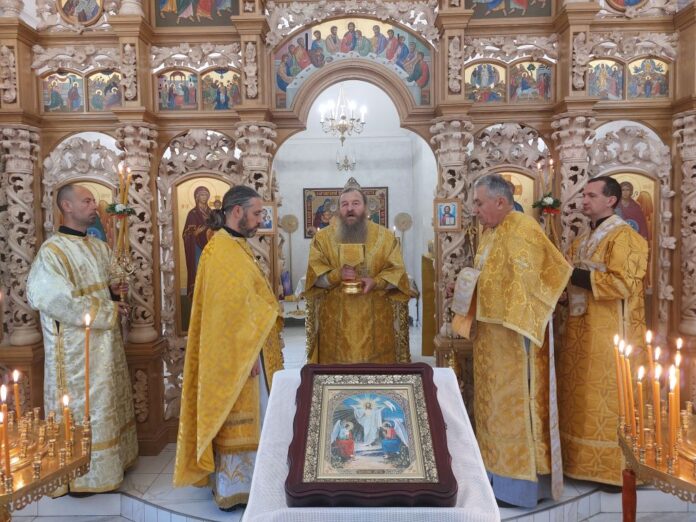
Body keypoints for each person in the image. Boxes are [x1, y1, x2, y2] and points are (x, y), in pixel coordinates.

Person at [451, 174, 571, 507]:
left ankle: (518, 486)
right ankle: (493, 476)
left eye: (479, 203)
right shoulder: (492, 232)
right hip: (493, 341)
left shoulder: (522, 229)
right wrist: (466, 289)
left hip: (516, 342)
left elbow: (530, 283)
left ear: (500, 202)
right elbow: (488, 278)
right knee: (493, 410)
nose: (475, 210)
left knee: (513, 410)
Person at [173, 185, 283, 510]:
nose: (260, 220)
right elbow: (224, 311)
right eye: (257, 213)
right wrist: (244, 354)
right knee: (242, 418)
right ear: (237, 212)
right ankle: (237, 486)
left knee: (259, 415)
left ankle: (257, 480)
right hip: (241, 355)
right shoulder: (221, 250)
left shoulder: (236, 245)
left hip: (252, 349)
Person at [27, 184, 137, 494]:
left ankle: (112, 464)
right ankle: (82, 476)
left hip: (106, 345)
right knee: (85, 407)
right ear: (67, 206)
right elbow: (49, 298)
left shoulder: (99, 247)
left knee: (107, 402)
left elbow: (112, 284)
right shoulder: (52, 251)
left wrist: (116, 290)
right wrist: (108, 308)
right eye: (87, 201)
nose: (94, 206)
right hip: (76, 352)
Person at [557, 176, 648, 486]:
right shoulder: (582, 241)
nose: (584, 200)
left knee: (607, 399)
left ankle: (613, 469)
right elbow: (571, 282)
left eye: (592, 195)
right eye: (584, 195)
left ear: (611, 200)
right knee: (582, 398)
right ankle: (579, 463)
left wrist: (573, 275)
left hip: (610, 335)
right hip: (580, 333)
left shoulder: (625, 238)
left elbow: (622, 284)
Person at [304, 181, 412, 364]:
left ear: (365, 208)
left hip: (375, 325)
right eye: (344, 204)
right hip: (335, 326)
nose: (350, 209)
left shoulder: (386, 237)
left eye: (355, 203)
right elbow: (313, 277)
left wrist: (376, 282)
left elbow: (398, 273)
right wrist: (336, 275)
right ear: (339, 209)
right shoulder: (322, 238)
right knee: (336, 376)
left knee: (374, 376)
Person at [182, 186, 213, 298]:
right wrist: (195, 233)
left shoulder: (212, 213)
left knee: (210, 270)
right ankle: (198, 295)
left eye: (206, 195)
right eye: (202, 195)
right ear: (197, 197)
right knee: (199, 270)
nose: (204, 197)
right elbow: (186, 234)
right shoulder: (192, 213)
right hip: (197, 247)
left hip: (211, 246)